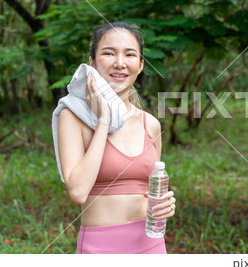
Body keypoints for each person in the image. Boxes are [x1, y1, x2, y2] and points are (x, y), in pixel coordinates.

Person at [57, 22, 176, 254]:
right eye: (108, 53)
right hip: (100, 248)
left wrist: (165, 204)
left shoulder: (150, 124)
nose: (119, 63)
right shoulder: (72, 117)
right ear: (92, 63)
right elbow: (78, 192)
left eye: (130, 54)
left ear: (140, 65)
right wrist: (104, 119)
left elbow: (150, 191)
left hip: (151, 246)